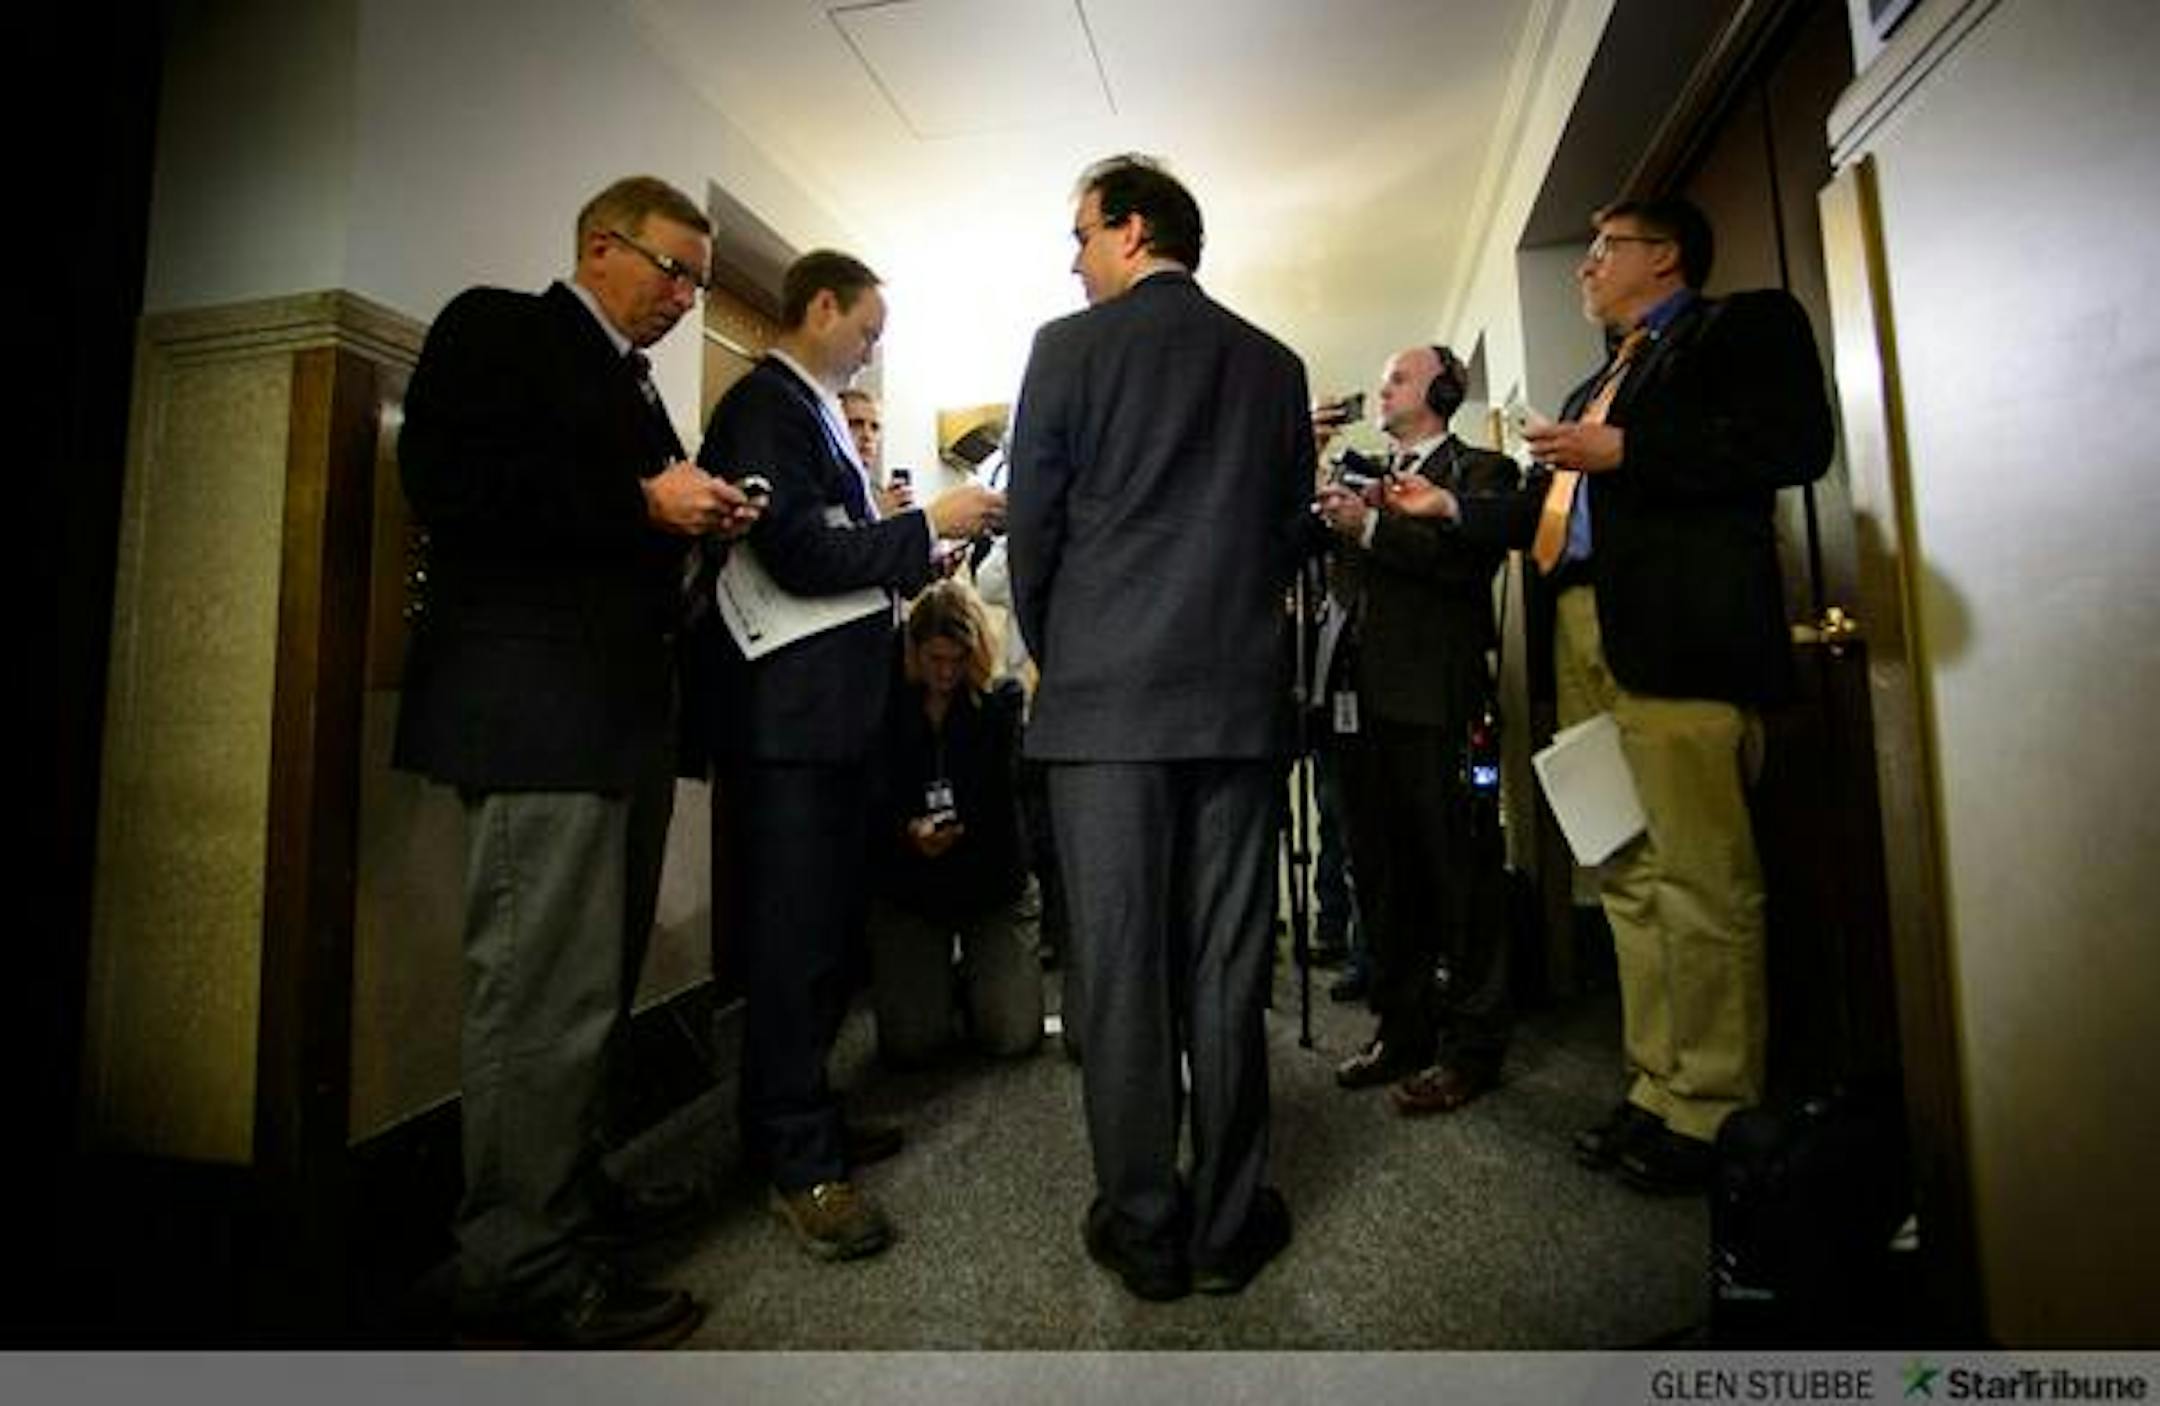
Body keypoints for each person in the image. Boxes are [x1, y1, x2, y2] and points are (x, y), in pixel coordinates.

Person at [1382, 195, 1832, 1191]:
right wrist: (1452, 503)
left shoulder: (1740, 328)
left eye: (1603, 249)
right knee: (1625, 870)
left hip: (1676, 638)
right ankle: (1655, 1083)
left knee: (1701, 874)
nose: (1585, 266)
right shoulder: (1597, 378)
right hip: (1582, 639)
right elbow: (1558, 516)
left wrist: (1627, 452)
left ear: (1665, 255)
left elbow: (1794, 445)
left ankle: (1714, 1108)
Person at [394, 174, 759, 1348]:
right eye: (673, 269)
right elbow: (451, 485)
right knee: (538, 998)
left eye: (700, 278)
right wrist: (640, 502)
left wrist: (699, 518)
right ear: (602, 248)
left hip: (619, 716)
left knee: (591, 996)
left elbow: (634, 518)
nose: (685, 294)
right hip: (535, 712)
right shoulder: (499, 327)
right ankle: (518, 1263)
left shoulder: (640, 391)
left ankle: (571, 1201)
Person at [1007, 154, 1313, 1301]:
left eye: (1080, 234)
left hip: (1102, 709)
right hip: (1235, 703)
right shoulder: (1274, 364)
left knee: (1122, 967)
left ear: (1131, 231)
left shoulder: (1065, 350)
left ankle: (1143, 1226)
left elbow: (1033, 529)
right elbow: (1286, 534)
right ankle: (1229, 1226)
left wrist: (1066, 651)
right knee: (1228, 964)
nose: (1073, 260)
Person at [687, 249, 1005, 1260]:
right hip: (788, 723)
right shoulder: (766, 406)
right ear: (819, 306)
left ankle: (793, 1117)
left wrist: (908, 543)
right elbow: (796, 551)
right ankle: (796, 1160)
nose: (873, 351)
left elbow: (837, 550)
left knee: (821, 935)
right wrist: (921, 525)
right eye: (866, 329)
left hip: (830, 718)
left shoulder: (816, 409)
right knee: (791, 941)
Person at [1316, 344, 1518, 1114]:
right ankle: (1401, 1030)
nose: (1382, 385)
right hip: (1357, 709)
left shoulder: (1482, 474)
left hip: (1442, 705)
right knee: (1381, 876)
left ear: (1441, 388)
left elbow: (1460, 566)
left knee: (1462, 873)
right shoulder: (1359, 479)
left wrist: (1370, 530)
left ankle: (1473, 1048)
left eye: (1397, 376)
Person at [867, 580, 1043, 1064]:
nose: (945, 673)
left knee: (1011, 1038)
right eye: (934, 660)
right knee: (911, 1045)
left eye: (956, 660)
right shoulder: (888, 704)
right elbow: (876, 793)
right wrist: (908, 831)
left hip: (989, 878)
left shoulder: (998, 704)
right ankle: (943, 984)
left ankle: (975, 982)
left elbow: (1002, 800)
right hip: (912, 884)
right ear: (915, 653)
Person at [839, 385, 914, 517]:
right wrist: (876, 512)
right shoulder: (816, 484)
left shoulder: (875, 492)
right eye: (856, 424)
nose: (867, 435)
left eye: (875, 427)